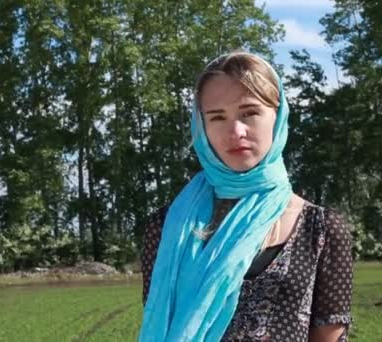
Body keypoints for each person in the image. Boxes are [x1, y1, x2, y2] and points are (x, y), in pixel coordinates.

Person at [139, 52, 353, 341]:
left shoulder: (322, 230)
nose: (235, 131)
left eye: (249, 112)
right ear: (201, 128)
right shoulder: (166, 228)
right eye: (217, 117)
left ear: (278, 117)